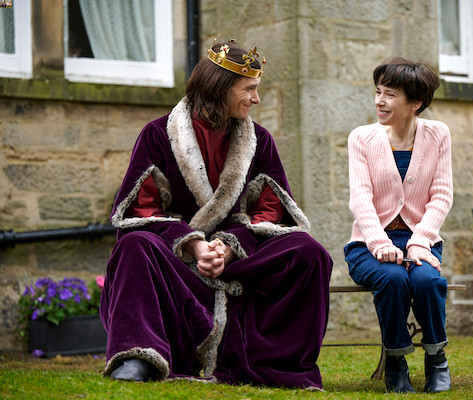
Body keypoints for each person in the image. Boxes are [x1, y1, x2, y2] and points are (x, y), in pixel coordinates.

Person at [100, 39, 333, 389]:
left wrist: (228, 246)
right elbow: (141, 210)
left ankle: (276, 364)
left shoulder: (260, 141)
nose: (256, 99)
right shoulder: (157, 135)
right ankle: (138, 357)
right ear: (221, 87)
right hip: (176, 261)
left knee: (308, 252)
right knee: (134, 245)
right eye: (249, 89)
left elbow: (271, 211)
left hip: (239, 261)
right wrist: (193, 244)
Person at [344, 56, 453, 393]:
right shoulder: (361, 138)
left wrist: (420, 241)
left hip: (421, 240)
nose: (379, 101)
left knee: (425, 281)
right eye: (378, 92)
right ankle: (396, 361)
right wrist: (379, 243)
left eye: (390, 95)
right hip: (367, 245)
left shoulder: (438, 134)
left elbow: (442, 195)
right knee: (392, 279)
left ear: (415, 103)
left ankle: (436, 358)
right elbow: (360, 199)